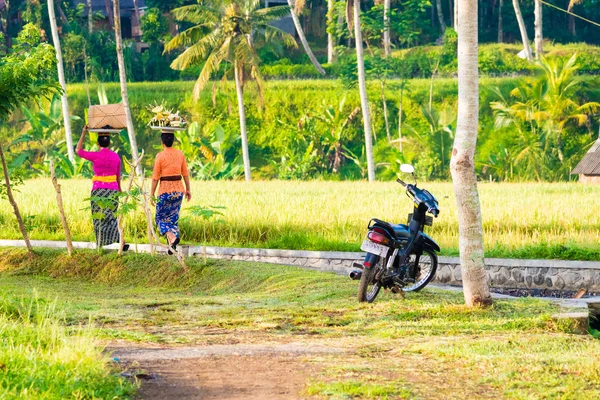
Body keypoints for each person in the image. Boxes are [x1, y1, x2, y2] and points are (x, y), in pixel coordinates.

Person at [76, 125, 127, 249]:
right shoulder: (116, 157)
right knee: (112, 216)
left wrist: (83, 132)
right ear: (109, 143)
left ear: (98, 143)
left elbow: (78, 150)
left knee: (99, 217)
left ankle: (100, 243)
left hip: (98, 191)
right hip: (113, 190)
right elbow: (118, 176)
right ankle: (120, 241)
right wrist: (119, 190)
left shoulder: (96, 156)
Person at [151, 132, 191, 252]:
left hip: (165, 191)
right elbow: (185, 174)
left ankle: (173, 237)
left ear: (162, 142)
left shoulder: (160, 156)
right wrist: (188, 189)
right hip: (179, 191)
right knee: (172, 218)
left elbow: (155, 177)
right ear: (173, 141)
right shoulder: (180, 154)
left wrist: (152, 193)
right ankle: (171, 245)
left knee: (159, 218)